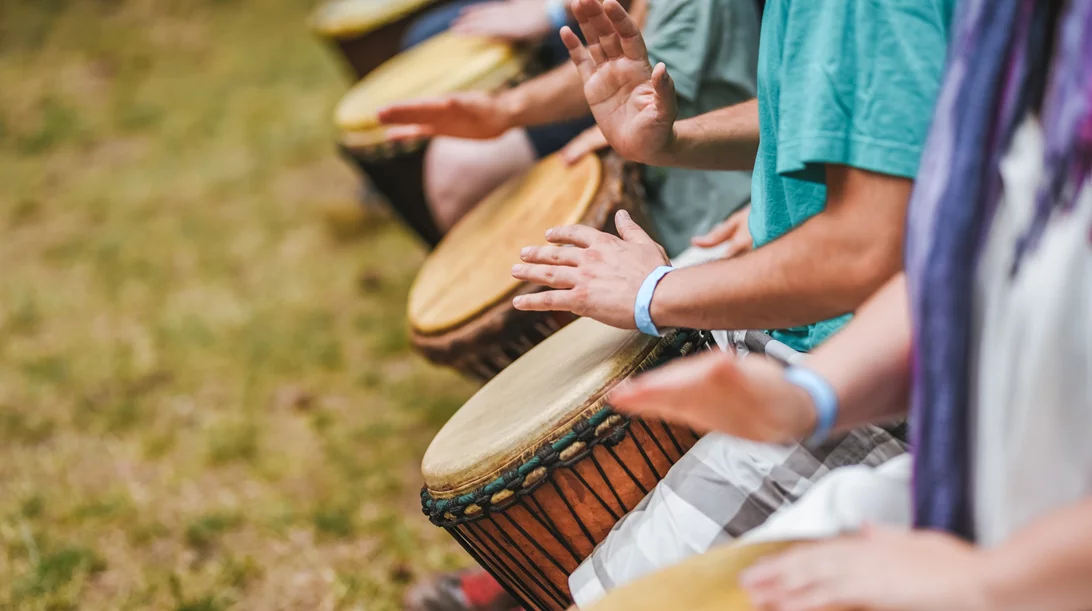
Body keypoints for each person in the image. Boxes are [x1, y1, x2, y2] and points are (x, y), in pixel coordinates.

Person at [610, 1, 1092, 609]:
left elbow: (869, 246)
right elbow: (958, 267)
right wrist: (809, 396)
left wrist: (986, 580)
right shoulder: (1024, 33)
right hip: (966, 477)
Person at [504, 0, 953, 607]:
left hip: (878, 381)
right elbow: (846, 114)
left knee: (619, 597)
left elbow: (864, 249)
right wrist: (672, 141)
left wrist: (654, 293)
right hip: (827, 347)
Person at [379, 0, 759, 256]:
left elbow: (651, 56)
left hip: (716, 215)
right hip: (681, 180)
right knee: (424, 37)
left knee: (460, 172)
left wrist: (508, 109)